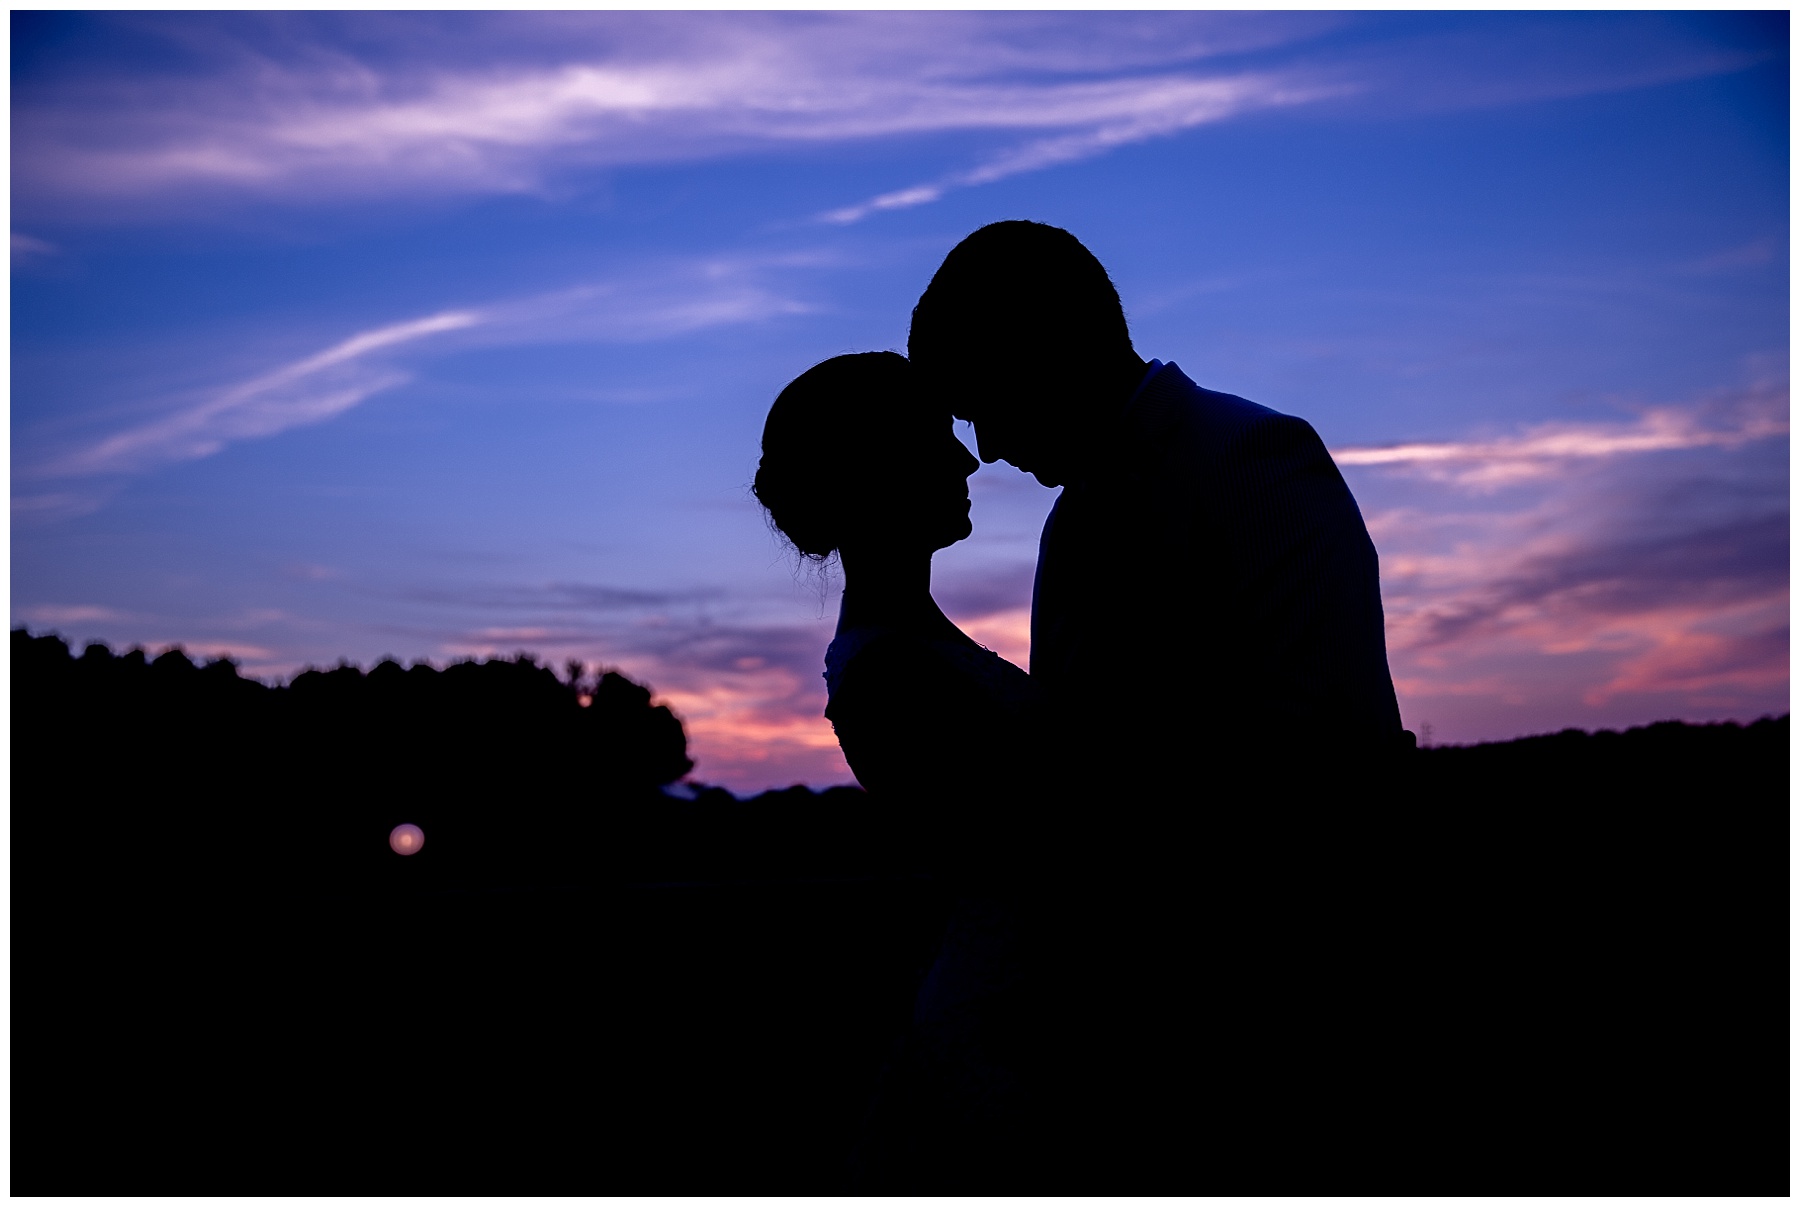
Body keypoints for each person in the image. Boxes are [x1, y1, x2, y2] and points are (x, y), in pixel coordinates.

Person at [904, 221, 1416, 1185]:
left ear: (1049, 348)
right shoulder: (1072, 524)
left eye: (990, 405)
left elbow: (1321, 754)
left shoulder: (1254, 458)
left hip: (1275, 1012)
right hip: (1130, 1028)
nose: (992, 448)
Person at [753, 350, 1051, 1190]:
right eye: (936, 439)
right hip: (1011, 1027)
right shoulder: (890, 675)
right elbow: (1039, 847)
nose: (965, 460)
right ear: (877, 470)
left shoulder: (910, 645)